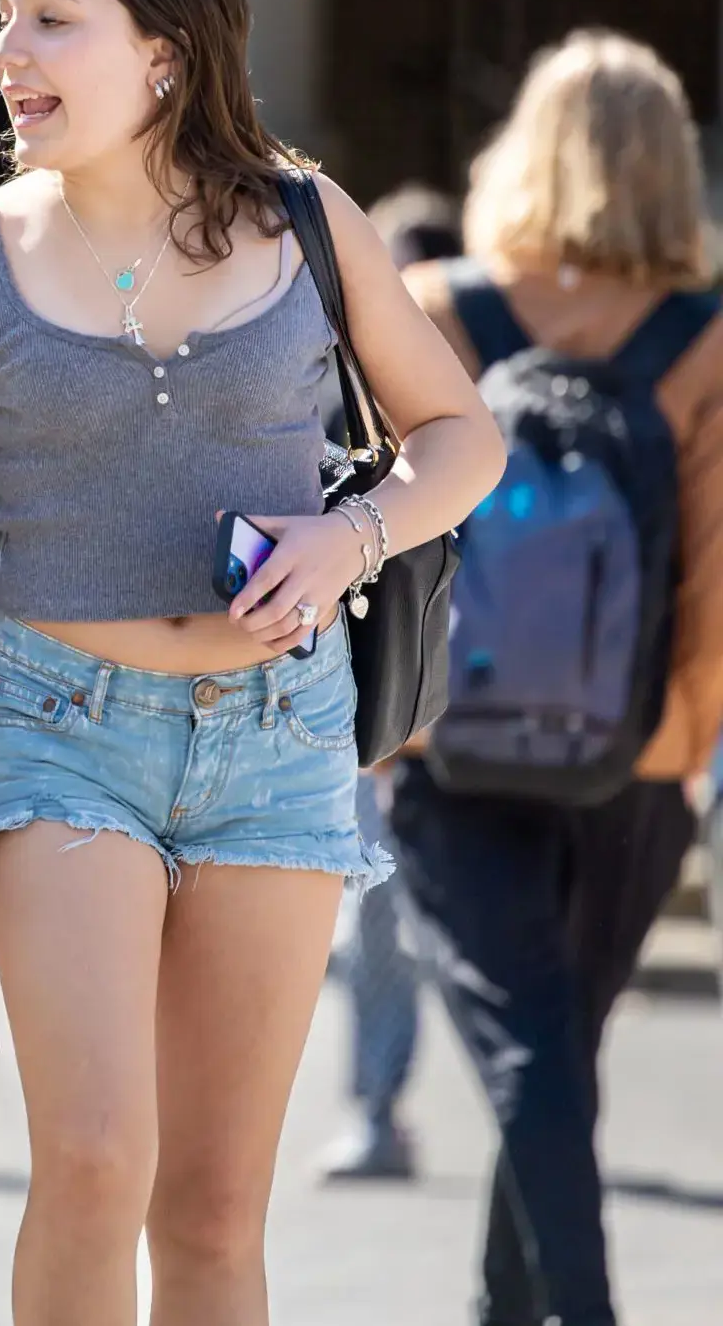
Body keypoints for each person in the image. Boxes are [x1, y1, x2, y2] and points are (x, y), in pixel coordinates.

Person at [0, 0, 503, 1325]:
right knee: (91, 1163)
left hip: (281, 739)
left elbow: (464, 437)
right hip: (63, 732)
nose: (10, 55)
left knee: (210, 1212)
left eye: (51, 21)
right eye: (6, 21)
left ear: (165, 53)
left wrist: (355, 537)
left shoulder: (305, 220)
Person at [389, 29, 722, 1326]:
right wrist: (680, 754)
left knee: (542, 1064)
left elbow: (391, 540)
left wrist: (382, 737)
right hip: (630, 769)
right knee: (554, 1060)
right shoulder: (703, 341)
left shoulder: (436, 309)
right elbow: (709, 585)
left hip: (451, 756)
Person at [318, 182, 465, 1185]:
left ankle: (384, 1108)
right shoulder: (342, 400)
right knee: (378, 920)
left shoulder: (448, 417)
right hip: (425, 706)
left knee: (387, 923)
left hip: (429, 707)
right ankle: (380, 1105)